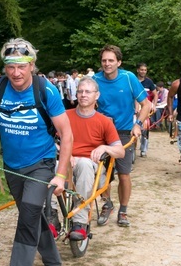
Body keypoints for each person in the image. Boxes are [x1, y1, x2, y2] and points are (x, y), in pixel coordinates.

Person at [0, 38, 73, 266]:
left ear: (31, 65)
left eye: (21, 66)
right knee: (32, 215)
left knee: (27, 215)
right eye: (10, 66)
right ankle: (54, 263)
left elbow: (66, 134)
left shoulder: (47, 91)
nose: (16, 73)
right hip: (12, 167)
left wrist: (61, 174)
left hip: (42, 164)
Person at [93, 45, 152, 227]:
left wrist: (138, 124)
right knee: (101, 174)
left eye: (111, 60)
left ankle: (123, 210)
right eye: (104, 60)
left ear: (119, 62)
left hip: (124, 133)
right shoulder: (94, 80)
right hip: (102, 132)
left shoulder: (128, 78)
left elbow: (146, 105)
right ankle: (107, 204)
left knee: (124, 174)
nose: (107, 64)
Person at [65, 77, 125, 240]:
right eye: (80, 91)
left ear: (96, 95)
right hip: (67, 163)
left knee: (84, 164)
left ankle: (80, 223)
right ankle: (51, 216)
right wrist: (65, 154)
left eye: (87, 92)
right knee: (51, 165)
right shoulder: (64, 116)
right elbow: (51, 141)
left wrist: (105, 147)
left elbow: (120, 151)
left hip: (91, 167)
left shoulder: (104, 121)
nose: (83, 95)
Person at [136, 62, 157, 158]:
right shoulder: (133, 80)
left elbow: (155, 94)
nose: (143, 71)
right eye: (141, 70)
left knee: (145, 127)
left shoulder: (149, 82)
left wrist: (154, 105)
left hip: (145, 107)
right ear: (138, 70)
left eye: (145, 70)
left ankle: (143, 149)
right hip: (133, 108)